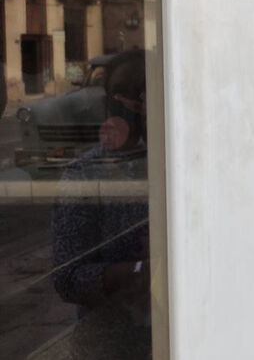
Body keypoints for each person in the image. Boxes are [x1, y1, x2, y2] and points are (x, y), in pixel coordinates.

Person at [52, 50, 151, 359]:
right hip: (112, 344)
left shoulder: (183, 166)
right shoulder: (85, 173)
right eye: (118, 93)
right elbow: (68, 278)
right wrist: (139, 272)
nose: (126, 103)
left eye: (140, 94)